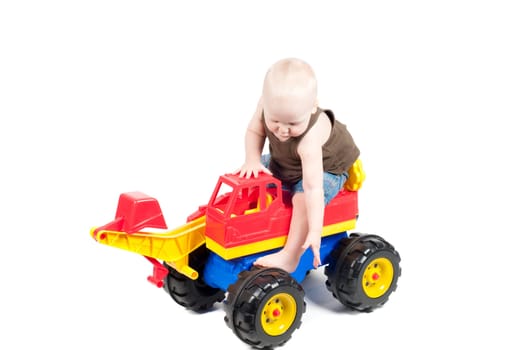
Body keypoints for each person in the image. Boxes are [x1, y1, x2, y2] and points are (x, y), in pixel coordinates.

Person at [234, 57, 360, 272]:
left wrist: (315, 231)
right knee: (249, 174)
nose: (283, 130)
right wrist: (252, 160)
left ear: (313, 107)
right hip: (285, 161)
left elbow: (313, 188)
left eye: (292, 123)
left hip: (326, 168)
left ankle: (290, 256)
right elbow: (254, 131)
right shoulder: (266, 105)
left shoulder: (310, 139)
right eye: (275, 122)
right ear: (265, 101)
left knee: (301, 198)